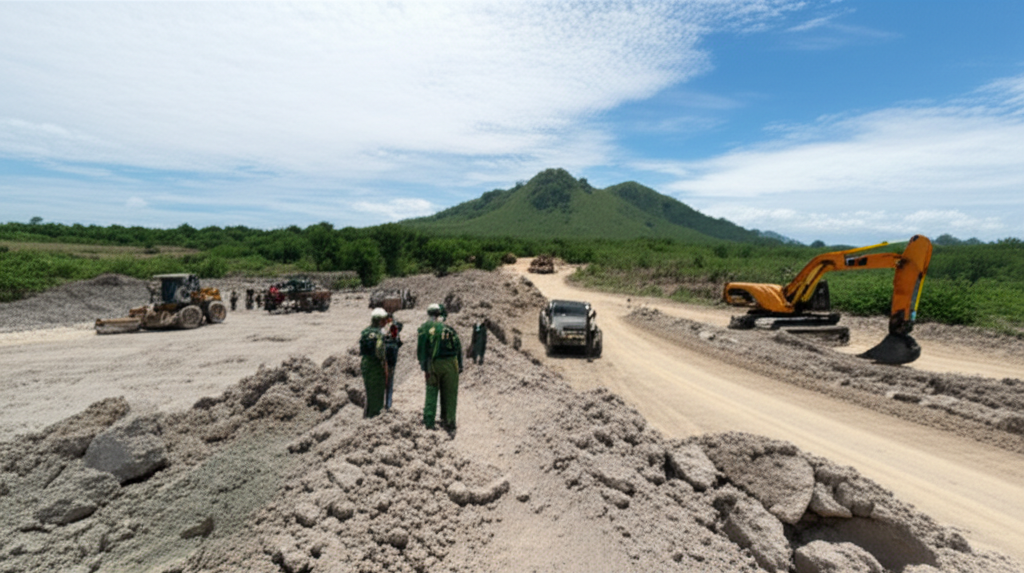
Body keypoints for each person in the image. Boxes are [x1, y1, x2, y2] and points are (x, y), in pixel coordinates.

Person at [417, 303, 462, 433]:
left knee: (431, 392)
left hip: (433, 364)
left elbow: (421, 351)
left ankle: (429, 423)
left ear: (428, 313)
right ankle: (449, 422)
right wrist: (460, 366)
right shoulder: (448, 329)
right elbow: (458, 347)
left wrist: (425, 368)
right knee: (450, 394)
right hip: (451, 364)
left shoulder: (424, 328)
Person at [359, 308, 389, 418]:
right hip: (375, 366)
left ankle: (367, 414)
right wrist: (385, 365)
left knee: (370, 392)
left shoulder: (366, 332)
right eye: (384, 320)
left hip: (365, 364)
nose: (386, 322)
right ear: (379, 321)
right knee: (377, 392)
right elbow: (380, 351)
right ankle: (374, 417)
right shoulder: (379, 334)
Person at [382, 312, 403, 410]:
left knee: (387, 380)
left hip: (387, 355)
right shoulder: (394, 327)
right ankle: (388, 405)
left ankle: (386, 405)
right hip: (391, 354)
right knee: (389, 380)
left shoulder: (385, 328)